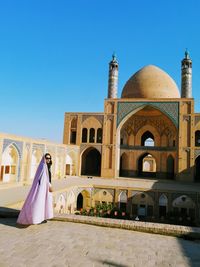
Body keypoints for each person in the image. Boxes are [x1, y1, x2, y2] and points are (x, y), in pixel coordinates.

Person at [17, 153, 54, 225]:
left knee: (43, 203)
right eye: (47, 158)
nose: (48, 159)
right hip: (41, 189)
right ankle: (35, 218)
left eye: (49, 158)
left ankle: (40, 218)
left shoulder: (46, 166)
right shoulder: (43, 166)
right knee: (38, 203)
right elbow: (42, 179)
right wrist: (49, 186)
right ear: (44, 158)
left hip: (44, 188)